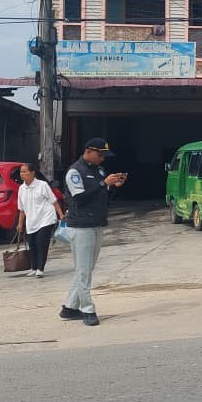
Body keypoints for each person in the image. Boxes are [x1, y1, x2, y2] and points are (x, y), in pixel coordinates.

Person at [61, 137, 126, 326]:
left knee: (87, 269)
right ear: (88, 151)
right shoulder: (75, 171)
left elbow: (100, 194)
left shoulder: (97, 170)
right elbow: (80, 198)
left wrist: (111, 185)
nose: (102, 159)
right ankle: (87, 310)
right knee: (83, 271)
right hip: (81, 226)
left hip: (97, 223)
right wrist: (102, 183)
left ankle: (70, 307)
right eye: (100, 154)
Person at [16, 162, 64, 278]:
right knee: (32, 243)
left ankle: (40, 268)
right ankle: (33, 267)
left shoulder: (42, 185)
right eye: (21, 172)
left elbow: (54, 201)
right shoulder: (21, 189)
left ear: (32, 173)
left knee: (41, 243)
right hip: (31, 220)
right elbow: (21, 209)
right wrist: (20, 223)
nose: (22, 174)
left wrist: (61, 215)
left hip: (45, 218)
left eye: (24, 171)